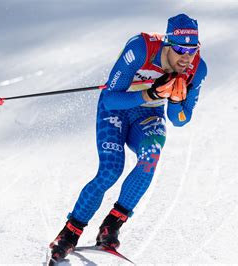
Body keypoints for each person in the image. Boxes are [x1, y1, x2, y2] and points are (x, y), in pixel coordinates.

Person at [49, 13, 207, 262]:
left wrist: (176, 99)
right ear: (168, 44)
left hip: (148, 115)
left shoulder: (197, 68)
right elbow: (111, 98)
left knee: (150, 156)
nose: (186, 58)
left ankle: (111, 225)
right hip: (116, 111)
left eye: (192, 50)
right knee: (111, 170)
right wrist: (149, 94)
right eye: (179, 49)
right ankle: (70, 233)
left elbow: (179, 120)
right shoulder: (141, 48)